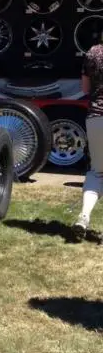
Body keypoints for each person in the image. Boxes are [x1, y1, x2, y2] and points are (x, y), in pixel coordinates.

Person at [73, 43, 103, 240]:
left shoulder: (93, 52)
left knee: (97, 171)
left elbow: (85, 88)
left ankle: (84, 216)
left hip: (96, 117)